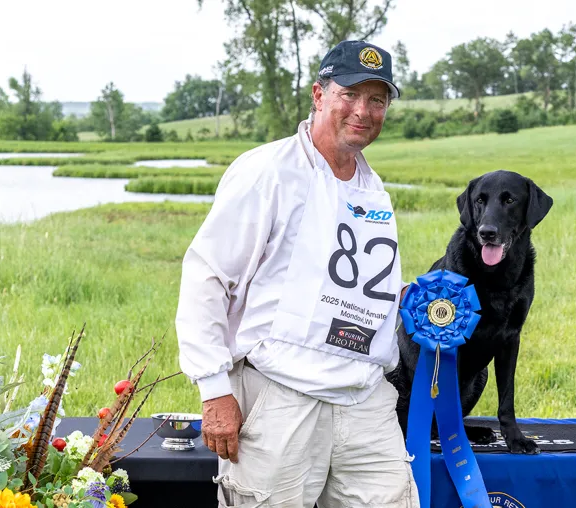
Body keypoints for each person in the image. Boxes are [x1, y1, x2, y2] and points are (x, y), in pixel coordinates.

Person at [175, 40, 416, 508]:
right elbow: (206, 276)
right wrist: (214, 391)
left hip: (364, 396)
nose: (362, 111)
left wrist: (407, 299)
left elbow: (346, 282)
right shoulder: (268, 171)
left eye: (377, 100)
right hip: (281, 395)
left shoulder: (372, 187)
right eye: (350, 94)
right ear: (318, 94)